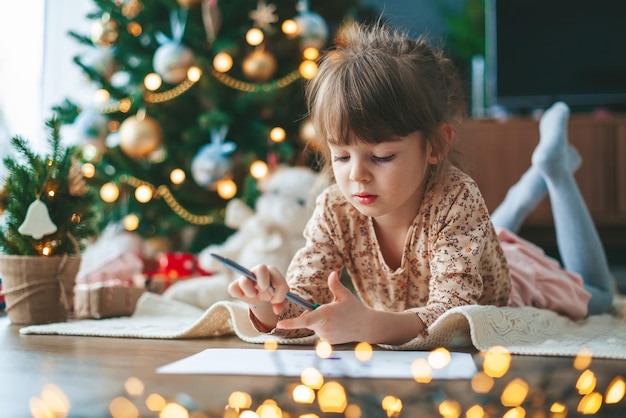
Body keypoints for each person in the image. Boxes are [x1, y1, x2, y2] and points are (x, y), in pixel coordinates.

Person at [227, 22, 614, 346]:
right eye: (341, 156)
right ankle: (529, 185)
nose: (356, 175)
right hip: (470, 246)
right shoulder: (335, 208)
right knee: (491, 233)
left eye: (381, 156)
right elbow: (301, 307)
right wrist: (268, 303)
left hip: (508, 279)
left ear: (436, 145)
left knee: (598, 296)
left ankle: (555, 173)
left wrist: (370, 324)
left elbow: (453, 317)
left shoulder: (457, 200)